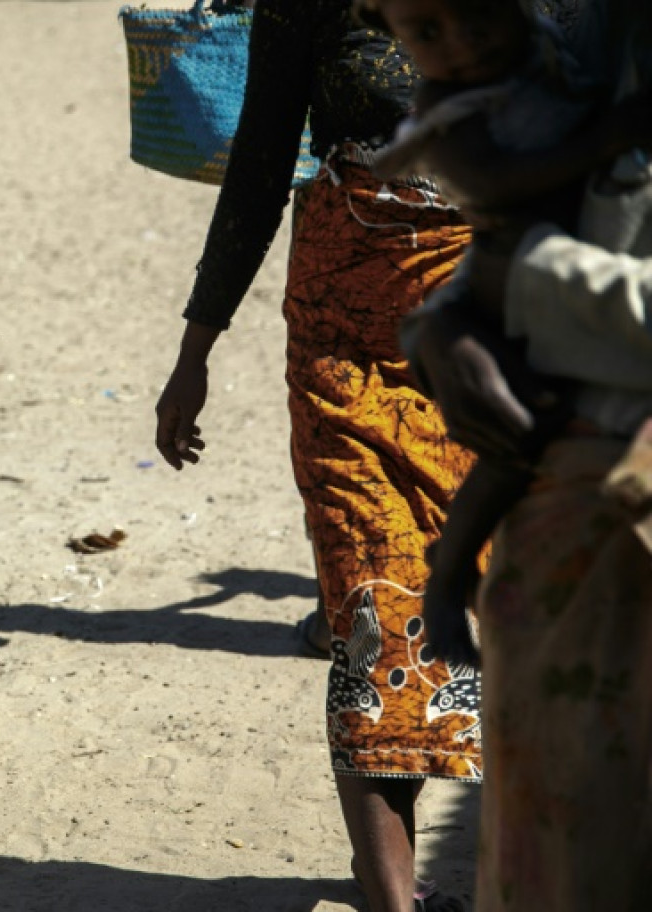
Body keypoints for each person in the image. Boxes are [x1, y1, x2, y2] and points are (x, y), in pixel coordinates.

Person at [151, 0, 576, 907]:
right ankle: (389, 894)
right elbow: (262, 162)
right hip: (344, 344)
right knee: (371, 603)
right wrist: (196, 350)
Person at [407, 0, 652, 904]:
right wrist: (444, 326)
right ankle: (445, 576)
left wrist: (527, 289)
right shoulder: (600, 41)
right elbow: (516, 209)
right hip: (564, 514)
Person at [361, 0, 652, 666]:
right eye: (429, 32)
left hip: (587, 372)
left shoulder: (547, 51)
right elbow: (495, 193)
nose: (464, 41)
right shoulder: (573, 45)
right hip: (574, 393)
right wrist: (451, 322)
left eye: (478, 18)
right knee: (518, 445)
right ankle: (451, 572)